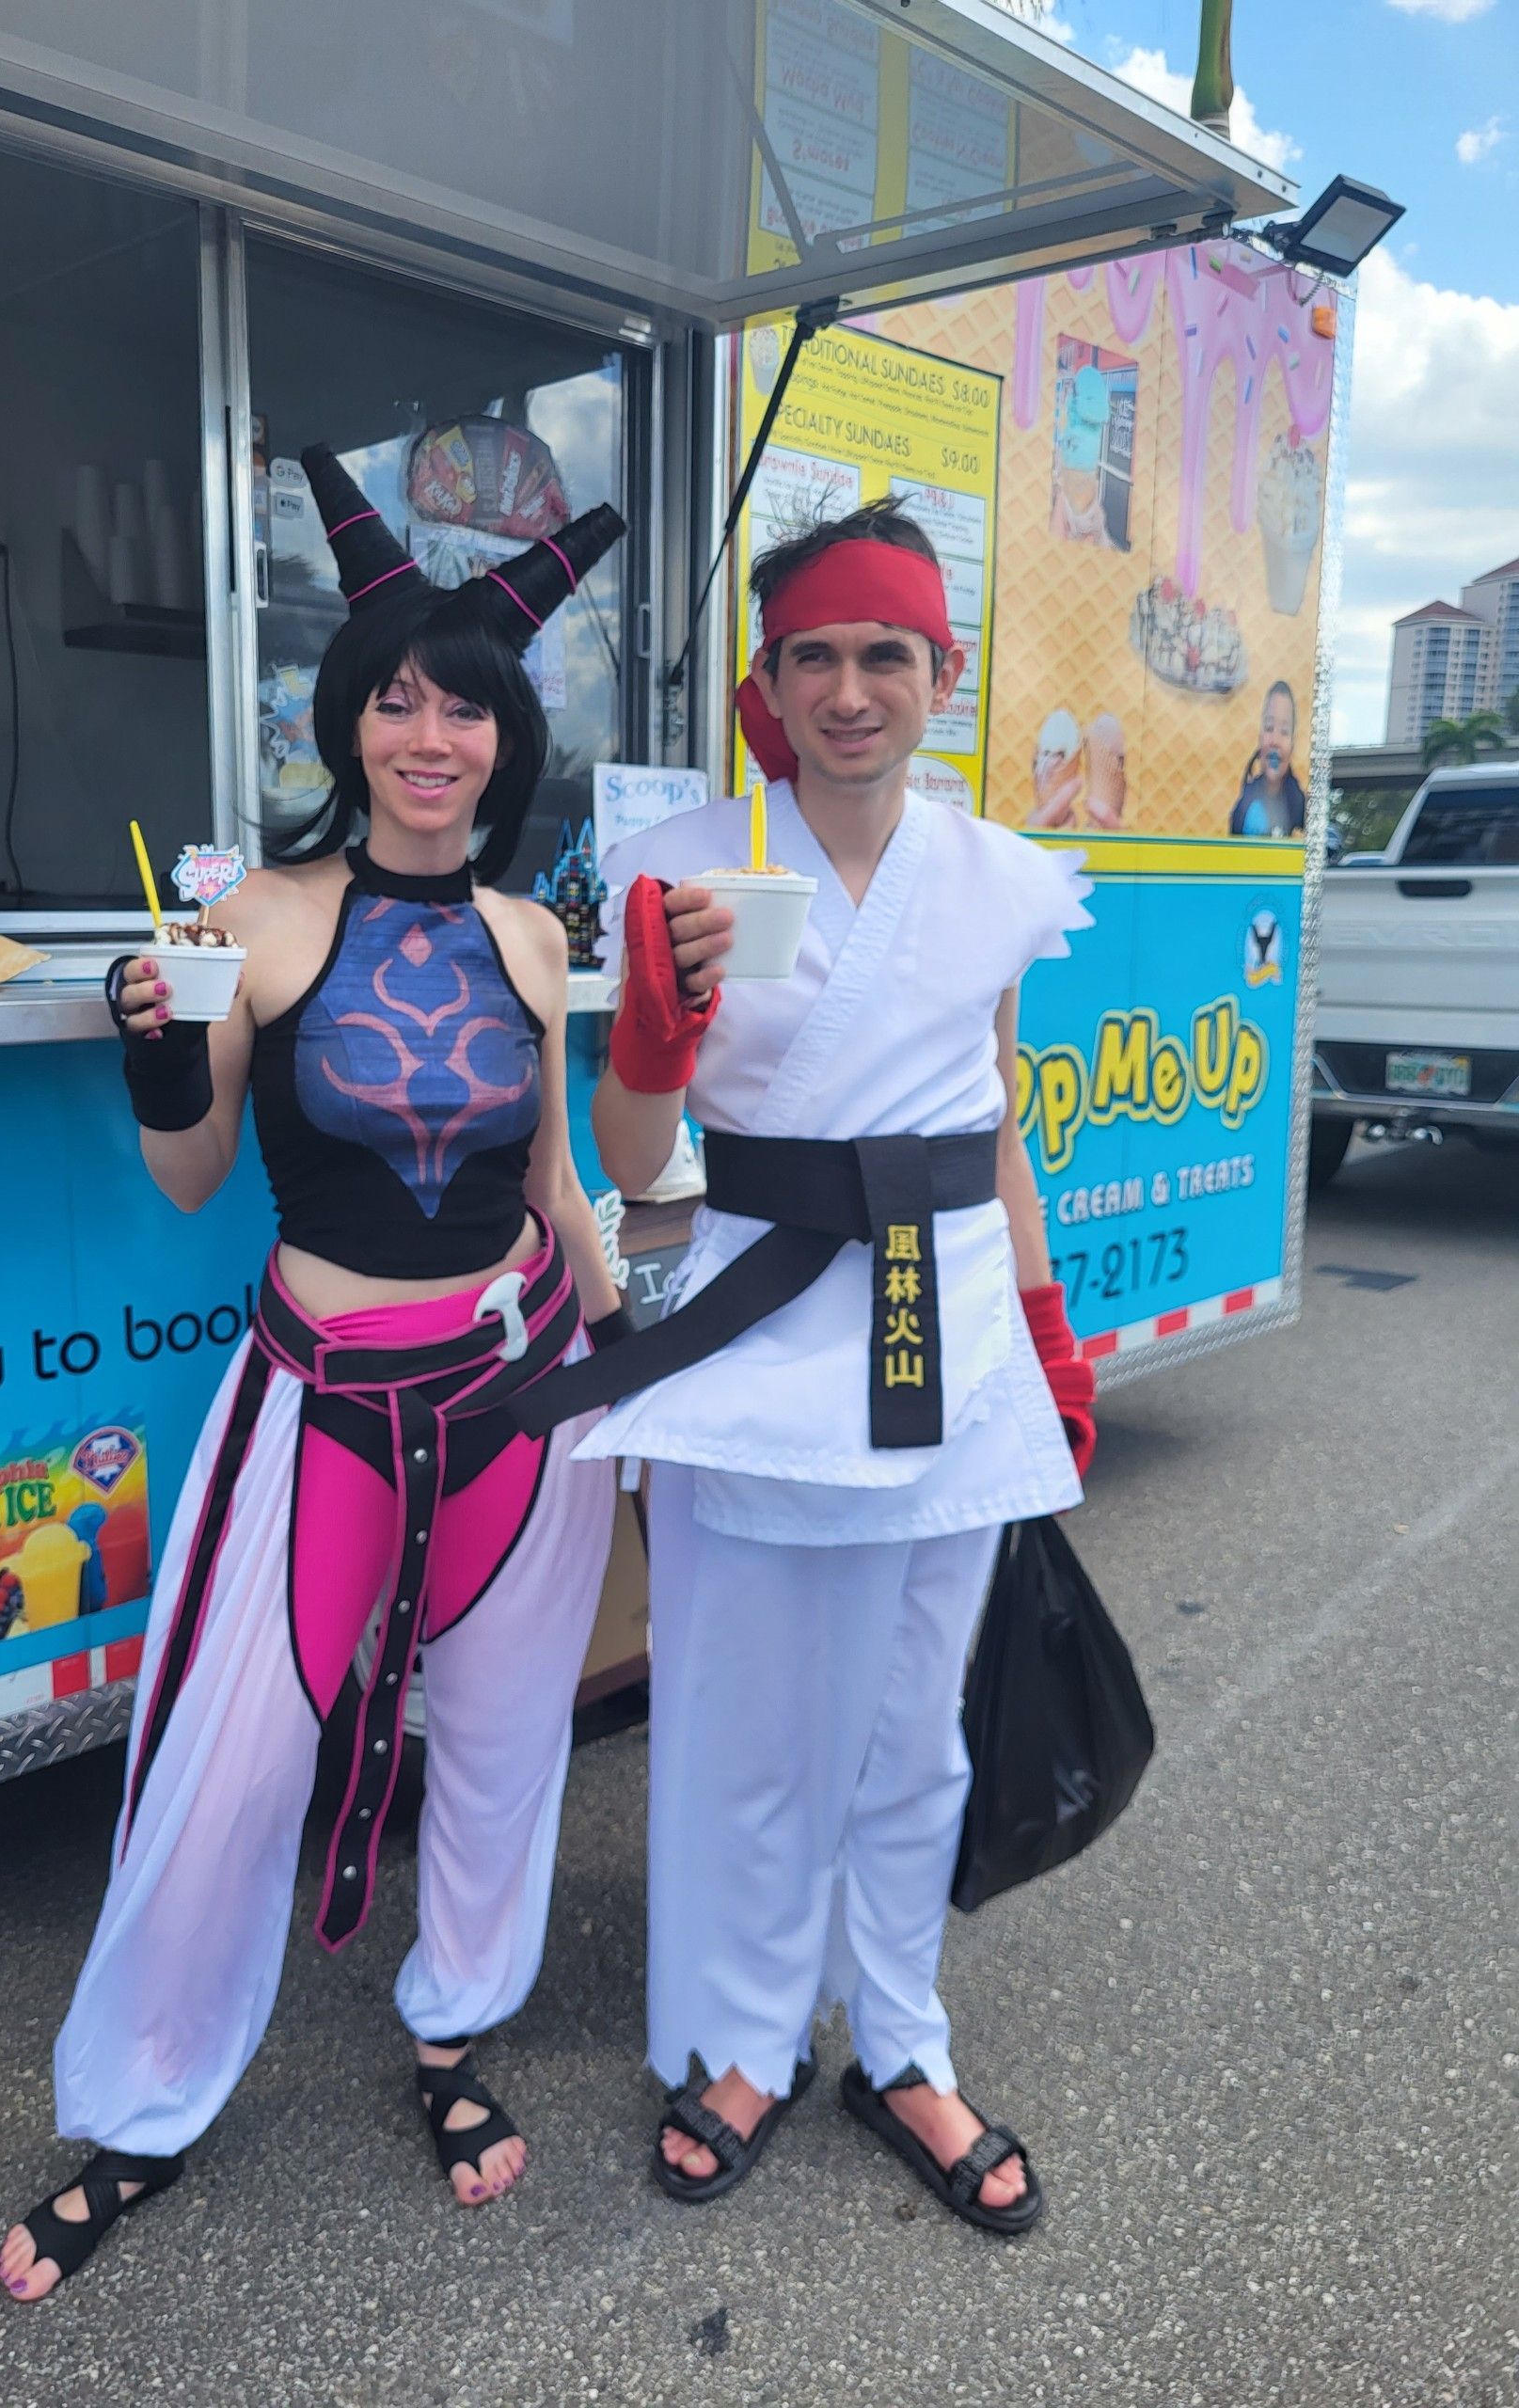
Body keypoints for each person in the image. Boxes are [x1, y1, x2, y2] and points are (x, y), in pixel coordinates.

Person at [0, 448, 626, 2299]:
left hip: (522, 1387)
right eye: (397, 699)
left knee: (507, 1742)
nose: (428, 733)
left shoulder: (532, 937)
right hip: (322, 1394)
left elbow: (555, 1177)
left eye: (464, 705)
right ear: (347, 723)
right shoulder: (252, 918)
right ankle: (145, 2098)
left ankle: (453, 2029)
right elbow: (193, 1174)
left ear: (506, 742)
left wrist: (631, 1370)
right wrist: (148, 1053)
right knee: (227, 1754)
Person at [564, 497, 1097, 2232]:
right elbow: (639, 1159)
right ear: (768, 682)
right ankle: (740, 2038)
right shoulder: (689, 868)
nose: (852, 689)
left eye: (886, 655)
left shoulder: (1003, 879)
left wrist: (1045, 1327)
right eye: (817, 657)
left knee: (912, 1729)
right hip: (758, 1328)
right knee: (735, 1719)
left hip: (940, 1342)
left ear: (940, 673)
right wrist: (652, 1031)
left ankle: (901, 2041)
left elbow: (993, 1122)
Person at [1227, 680, 1306, 836]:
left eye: (1284, 731)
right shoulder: (1245, 801)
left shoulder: (1301, 807)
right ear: (1260, 737)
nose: (1275, 741)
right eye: (1269, 728)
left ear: (1293, 744)